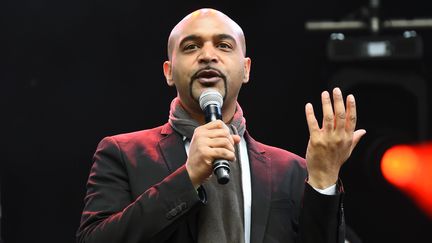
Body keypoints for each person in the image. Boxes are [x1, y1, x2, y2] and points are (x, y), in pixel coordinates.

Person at [76, 8, 366, 243]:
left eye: (224, 45)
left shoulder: (291, 170)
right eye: (191, 47)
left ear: (246, 69)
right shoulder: (122, 153)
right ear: (168, 72)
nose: (207, 55)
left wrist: (324, 181)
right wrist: (187, 178)